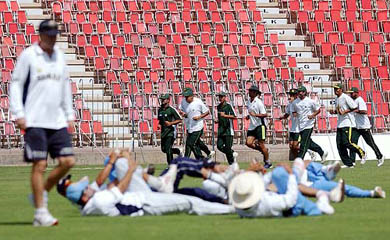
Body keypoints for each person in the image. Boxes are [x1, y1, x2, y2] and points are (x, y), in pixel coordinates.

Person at [10, 20, 75, 226]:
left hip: (56, 120)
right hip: (34, 119)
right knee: (40, 164)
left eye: (55, 34)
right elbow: (16, 85)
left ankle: (41, 193)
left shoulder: (60, 56)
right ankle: (40, 213)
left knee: (68, 162)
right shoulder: (29, 55)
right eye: (49, 34)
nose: (53, 38)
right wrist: (19, 113)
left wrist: (69, 115)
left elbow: (65, 87)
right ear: (41, 35)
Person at [57, 151, 235, 217]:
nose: (86, 186)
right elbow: (117, 186)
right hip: (145, 201)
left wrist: (136, 170)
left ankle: (159, 182)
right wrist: (130, 166)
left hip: (143, 194)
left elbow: (111, 185)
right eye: (83, 188)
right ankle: (231, 207)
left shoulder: (89, 203)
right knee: (189, 199)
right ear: (84, 195)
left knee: (190, 192)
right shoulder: (97, 200)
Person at [229, 161, 335, 218]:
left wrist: (255, 170)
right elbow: (290, 200)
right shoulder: (267, 203)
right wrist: (290, 175)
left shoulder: (240, 207)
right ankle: (322, 198)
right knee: (294, 168)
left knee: (281, 172)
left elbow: (258, 184)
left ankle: (322, 189)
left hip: (277, 195)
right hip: (292, 208)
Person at [301, 160, 386, 199]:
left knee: (303, 162)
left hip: (310, 176)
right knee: (344, 188)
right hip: (310, 185)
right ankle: (371, 193)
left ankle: (326, 170)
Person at [329, 84, 366, 168]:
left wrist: (345, 112)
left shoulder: (345, 97)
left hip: (347, 123)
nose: (336, 91)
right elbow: (339, 111)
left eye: (337, 89)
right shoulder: (336, 98)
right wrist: (334, 112)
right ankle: (348, 163)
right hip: (340, 124)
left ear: (341, 89)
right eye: (335, 89)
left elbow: (354, 107)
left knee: (347, 142)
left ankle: (361, 152)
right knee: (339, 145)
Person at [347, 87, 384, 167]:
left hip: (364, 126)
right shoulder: (353, 101)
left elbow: (364, 111)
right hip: (356, 127)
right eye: (350, 93)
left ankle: (380, 156)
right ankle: (352, 161)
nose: (351, 94)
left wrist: (356, 111)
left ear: (356, 93)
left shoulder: (360, 100)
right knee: (352, 143)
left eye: (352, 93)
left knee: (370, 143)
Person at [292, 86, 328, 162]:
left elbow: (318, 110)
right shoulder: (295, 102)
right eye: (299, 92)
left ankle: (299, 160)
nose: (299, 93)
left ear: (305, 92)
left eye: (301, 91)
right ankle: (322, 153)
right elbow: (294, 111)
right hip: (301, 125)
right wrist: (295, 114)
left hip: (309, 124)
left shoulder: (310, 101)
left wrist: (312, 115)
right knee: (309, 143)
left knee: (303, 143)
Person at [179, 88, 215, 159]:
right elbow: (180, 109)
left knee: (191, 143)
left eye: (187, 97)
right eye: (185, 97)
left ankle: (199, 159)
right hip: (189, 126)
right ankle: (208, 153)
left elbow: (207, 112)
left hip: (198, 126)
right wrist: (182, 113)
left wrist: (199, 117)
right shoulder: (183, 101)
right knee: (197, 142)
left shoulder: (198, 102)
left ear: (192, 96)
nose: (186, 98)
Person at [245, 85, 272, 169]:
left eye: (251, 91)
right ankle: (264, 151)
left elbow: (265, 114)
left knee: (261, 144)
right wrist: (249, 116)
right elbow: (251, 112)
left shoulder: (259, 102)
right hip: (252, 126)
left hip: (260, 126)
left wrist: (255, 115)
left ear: (255, 93)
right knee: (248, 143)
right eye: (249, 91)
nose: (249, 92)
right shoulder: (249, 102)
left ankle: (268, 162)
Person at [158, 94, 183, 164]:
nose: (162, 100)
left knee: (168, 149)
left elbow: (179, 120)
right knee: (164, 149)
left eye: (164, 99)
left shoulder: (172, 110)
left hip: (171, 131)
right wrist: (159, 125)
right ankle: (178, 151)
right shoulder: (160, 109)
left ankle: (171, 165)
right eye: (162, 99)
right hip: (163, 132)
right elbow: (160, 120)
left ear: (168, 100)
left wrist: (170, 123)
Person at [216, 91, 238, 164]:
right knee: (219, 146)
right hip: (221, 130)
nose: (220, 98)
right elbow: (220, 118)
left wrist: (225, 116)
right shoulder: (218, 107)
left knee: (228, 148)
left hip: (228, 130)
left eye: (221, 97)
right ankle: (232, 153)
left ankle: (231, 163)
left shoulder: (228, 106)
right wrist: (217, 120)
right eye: (219, 97)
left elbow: (234, 116)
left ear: (225, 97)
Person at [279, 89, 300, 160]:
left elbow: (301, 114)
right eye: (290, 95)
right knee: (291, 146)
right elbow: (287, 114)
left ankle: (307, 151)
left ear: (296, 96)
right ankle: (297, 159)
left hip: (298, 128)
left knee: (295, 146)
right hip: (293, 128)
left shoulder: (299, 104)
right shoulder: (289, 105)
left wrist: (296, 113)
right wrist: (282, 117)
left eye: (292, 95)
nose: (290, 96)